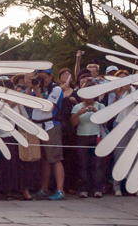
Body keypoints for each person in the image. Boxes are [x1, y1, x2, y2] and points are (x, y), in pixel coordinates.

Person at [31, 70, 65, 200]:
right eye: (39, 78)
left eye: (43, 78)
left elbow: (47, 107)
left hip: (51, 125)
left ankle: (60, 190)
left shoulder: (56, 89)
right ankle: (44, 189)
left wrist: (37, 90)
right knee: (44, 159)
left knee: (55, 158)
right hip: (38, 126)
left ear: (51, 76)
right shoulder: (37, 89)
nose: (41, 81)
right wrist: (30, 88)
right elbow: (28, 103)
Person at [71, 77, 105, 198]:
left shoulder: (101, 106)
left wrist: (96, 111)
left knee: (97, 164)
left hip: (96, 136)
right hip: (82, 137)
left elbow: (105, 121)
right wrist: (79, 113)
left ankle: (98, 189)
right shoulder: (77, 107)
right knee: (83, 164)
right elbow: (74, 123)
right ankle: (84, 188)